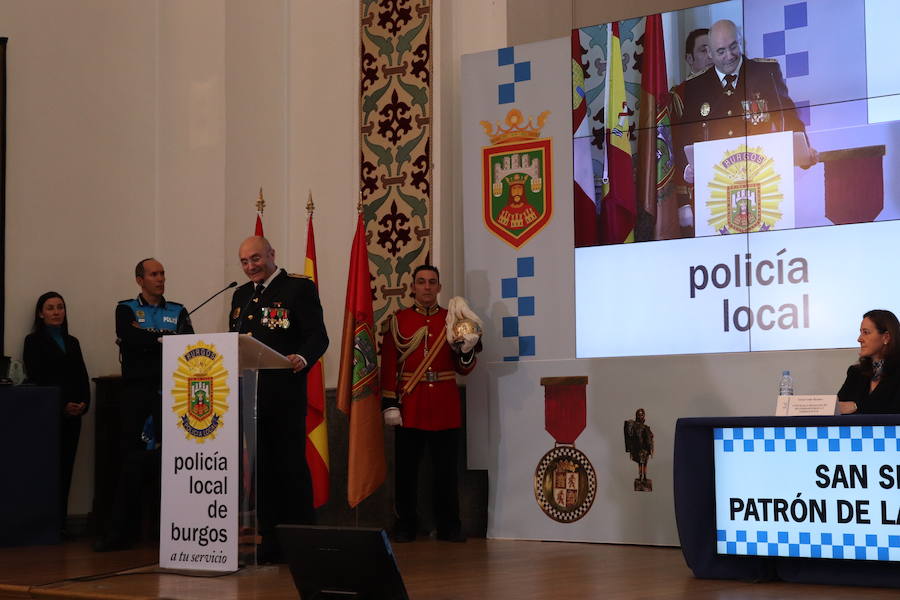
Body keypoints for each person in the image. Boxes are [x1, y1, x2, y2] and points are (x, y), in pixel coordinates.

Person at [229, 236, 328, 563]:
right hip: (252, 397)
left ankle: (302, 544)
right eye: (244, 262)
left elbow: (318, 335)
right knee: (263, 472)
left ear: (271, 254)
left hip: (284, 396)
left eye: (255, 259)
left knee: (290, 471)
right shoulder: (241, 294)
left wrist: (302, 355)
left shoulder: (297, 288)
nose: (250, 267)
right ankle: (270, 542)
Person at [672, 19, 815, 233]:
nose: (729, 56)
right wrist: (688, 169)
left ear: (741, 42)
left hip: (764, 186)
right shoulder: (695, 86)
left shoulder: (765, 71)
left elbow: (788, 116)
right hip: (716, 191)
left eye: (733, 47)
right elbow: (687, 135)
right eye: (721, 51)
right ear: (710, 53)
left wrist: (803, 152)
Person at [94, 258, 193, 551]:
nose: (160, 278)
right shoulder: (125, 308)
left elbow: (187, 344)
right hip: (136, 395)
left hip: (171, 394)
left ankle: (172, 531)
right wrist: (163, 338)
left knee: (172, 463)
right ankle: (120, 533)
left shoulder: (178, 310)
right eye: (154, 274)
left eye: (162, 273)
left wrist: (150, 338)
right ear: (140, 280)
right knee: (132, 462)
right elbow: (130, 338)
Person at [380, 265, 481, 543]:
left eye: (432, 282)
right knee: (406, 472)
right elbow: (389, 364)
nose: (426, 287)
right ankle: (405, 525)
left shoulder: (454, 321)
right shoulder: (398, 321)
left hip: (445, 403)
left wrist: (467, 350)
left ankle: (450, 526)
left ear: (439, 287)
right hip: (410, 404)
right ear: (413, 287)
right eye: (421, 282)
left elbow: (464, 369)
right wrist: (390, 402)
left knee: (446, 471)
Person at [23, 291, 90, 537]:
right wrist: (62, 405)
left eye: (60, 307)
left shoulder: (72, 342)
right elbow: (38, 377)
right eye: (50, 308)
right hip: (49, 416)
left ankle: (61, 524)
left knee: (67, 469)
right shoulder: (33, 342)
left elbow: (82, 375)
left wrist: (83, 403)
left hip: (74, 416)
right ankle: (45, 525)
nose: (56, 312)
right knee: (48, 470)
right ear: (41, 313)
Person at [837, 309, 900, 414]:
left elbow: (893, 409)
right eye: (860, 332)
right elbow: (839, 408)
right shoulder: (855, 373)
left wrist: (856, 406)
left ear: (886, 337)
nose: (859, 339)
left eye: (866, 332)